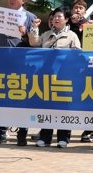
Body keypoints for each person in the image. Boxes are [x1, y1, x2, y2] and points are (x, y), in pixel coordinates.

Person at [0, 0, 38, 145]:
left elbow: (35, 44)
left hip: (21, 64)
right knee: (0, 97)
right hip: (0, 61)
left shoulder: (30, 17)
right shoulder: (0, 14)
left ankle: (22, 133)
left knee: (21, 98)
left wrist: (26, 33)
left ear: (24, 0)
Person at [32, 8, 82, 148]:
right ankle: (45, 137)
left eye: (59, 16)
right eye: (54, 17)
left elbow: (78, 53)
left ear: (66, 19)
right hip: (47, 76)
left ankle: (63, 137)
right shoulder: (46, 34)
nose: (56, 19)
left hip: (64, 77)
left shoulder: (72, 35)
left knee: (64, 107)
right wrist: (34, 29)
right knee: (47, 106)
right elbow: (34, 43)